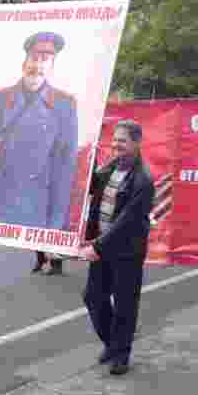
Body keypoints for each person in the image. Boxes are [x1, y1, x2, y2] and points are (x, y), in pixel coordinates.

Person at [0, 31, 79, 229]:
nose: (38, 64)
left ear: (52, 65)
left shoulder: (64, 105)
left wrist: (56, 227)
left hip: (32, 211)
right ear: (25, 61)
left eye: (45, 58)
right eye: (34, 57)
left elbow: (64, 171)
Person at [77, 120, 154, 377]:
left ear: (136, 143)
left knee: (124, 304)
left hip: (126, 251)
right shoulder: (110, 167)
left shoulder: (143, 179)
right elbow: (87, 189)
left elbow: (127, 222)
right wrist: (81, 164)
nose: (116, 144)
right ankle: (112, 342)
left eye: (122, 140)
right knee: (93, 297)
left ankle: (121, 354)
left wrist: (97, 246)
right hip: (103, 247)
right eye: (115, 139)